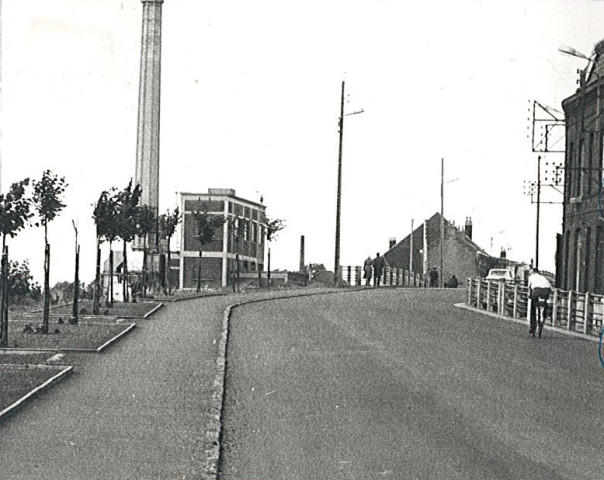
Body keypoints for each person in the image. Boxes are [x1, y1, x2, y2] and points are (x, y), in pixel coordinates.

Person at [528, 268, 552, 335]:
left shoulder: (531, 277)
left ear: (532, 272)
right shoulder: (543, 277)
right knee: (544, 307)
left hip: (536, 291)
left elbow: (529, 287)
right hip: (546, 291)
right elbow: (550, 287)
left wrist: (529, 295)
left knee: (533, 309)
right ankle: (542, 318)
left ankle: (533, 327)